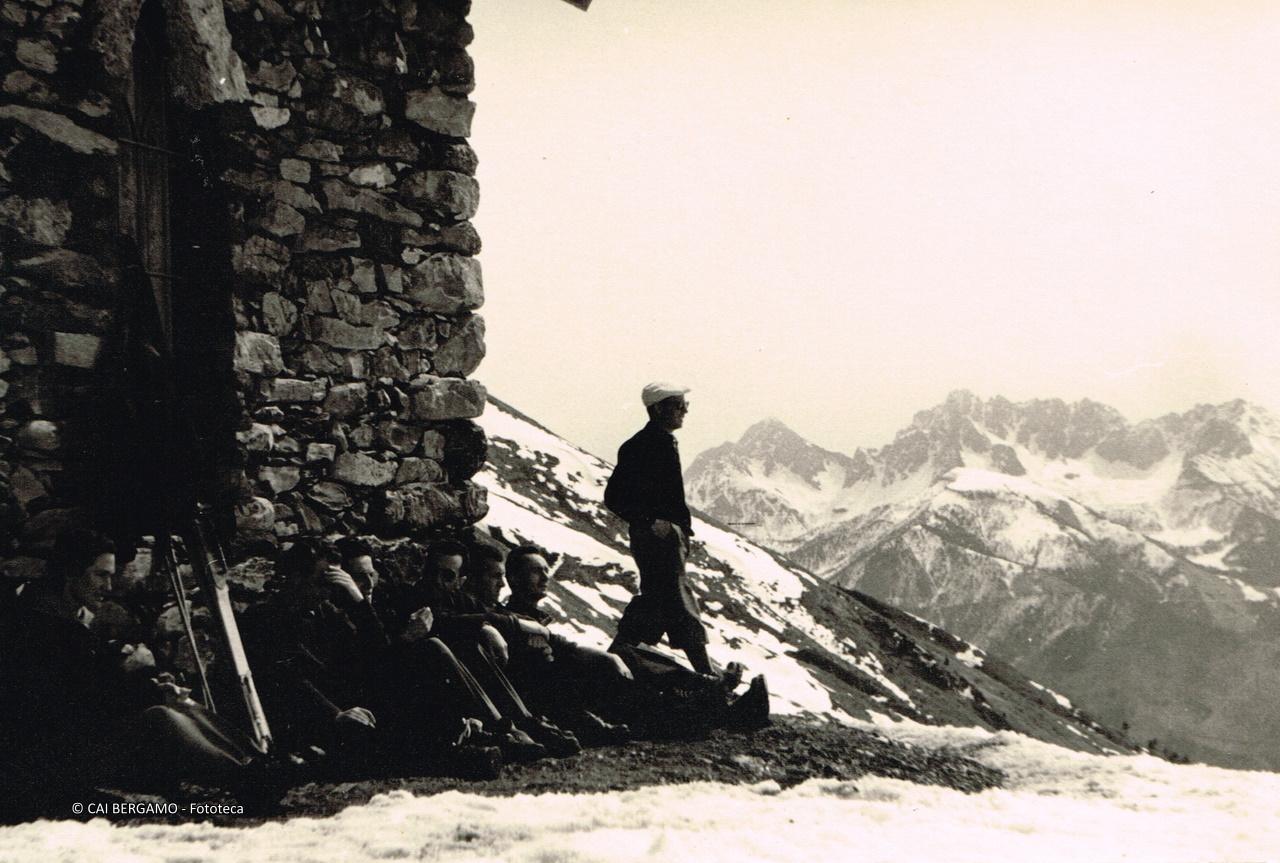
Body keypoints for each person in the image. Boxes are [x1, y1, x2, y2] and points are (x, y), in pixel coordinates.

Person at [0, 528, 261, 815]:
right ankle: (245, 777)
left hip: (78, 737)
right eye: (100, 575)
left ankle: (254, 760)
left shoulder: (65, 616)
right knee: (160, 717)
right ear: (70, 572)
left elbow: (91, 675)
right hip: (51, 754)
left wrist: (146, 682)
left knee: (178, 703)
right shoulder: (37, 625)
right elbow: (78, 703)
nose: (108, 586)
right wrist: (132, 673)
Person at [604, 382, 714, 674]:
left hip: (666, 537)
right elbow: (613, 496)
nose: (685, 411)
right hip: (657, 540)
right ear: (658, 408)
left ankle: (616, 656)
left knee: (656, 602)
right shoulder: (641, 445)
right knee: (677, 599)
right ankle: (707, 675)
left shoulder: (659, 442)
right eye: (678, 405)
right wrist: (649, 522)